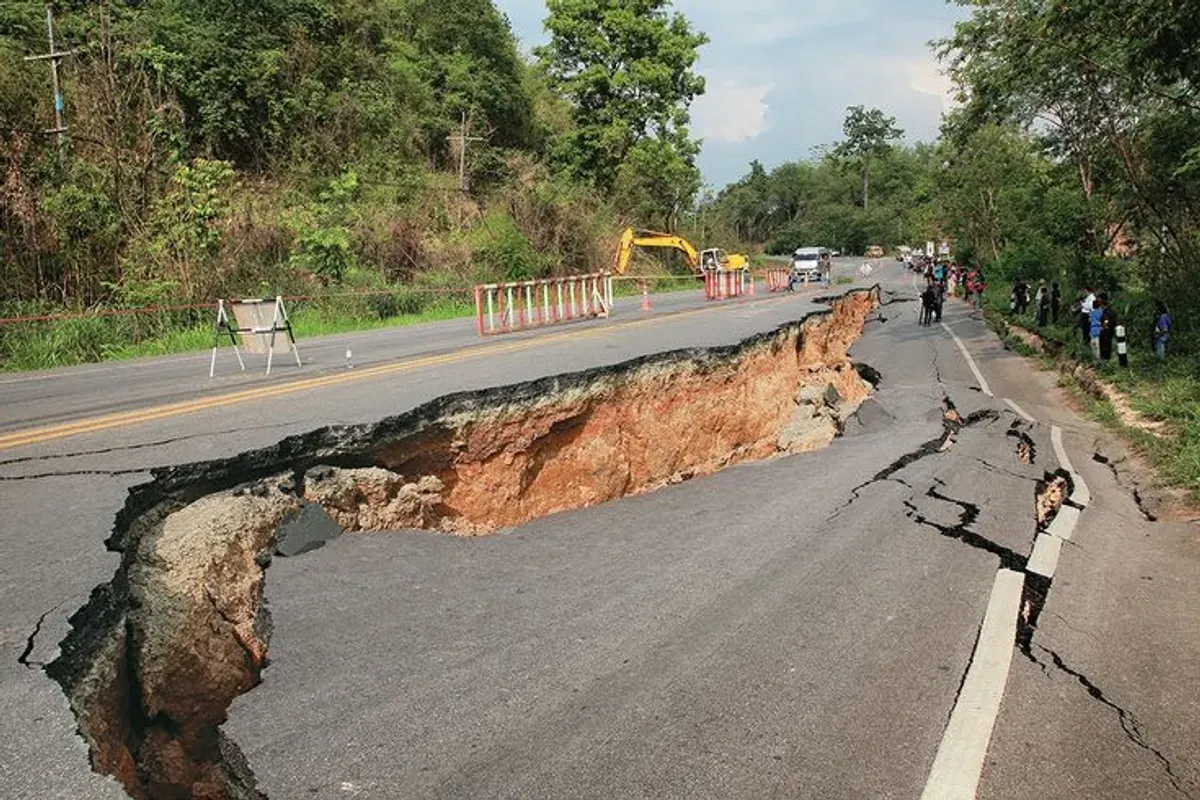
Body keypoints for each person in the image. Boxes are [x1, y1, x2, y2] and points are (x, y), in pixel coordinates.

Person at [1098, 293, 1117, 360]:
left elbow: (1106, 321)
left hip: (1105, 336)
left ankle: (1104, 365)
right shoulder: (1111, 311)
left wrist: (1102, 328)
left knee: (1104, 353)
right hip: (1109, 335)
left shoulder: (1106, 312)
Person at [1089, 296, 1104, 360]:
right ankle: (1099, 362)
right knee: (1098, 348)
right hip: (1098, 331)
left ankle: (1095, 361)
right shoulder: (1101, 312)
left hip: (1092, 331)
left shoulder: (1091, 313)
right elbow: (1105, 321)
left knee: (1094, 348)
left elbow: (1089, 320)